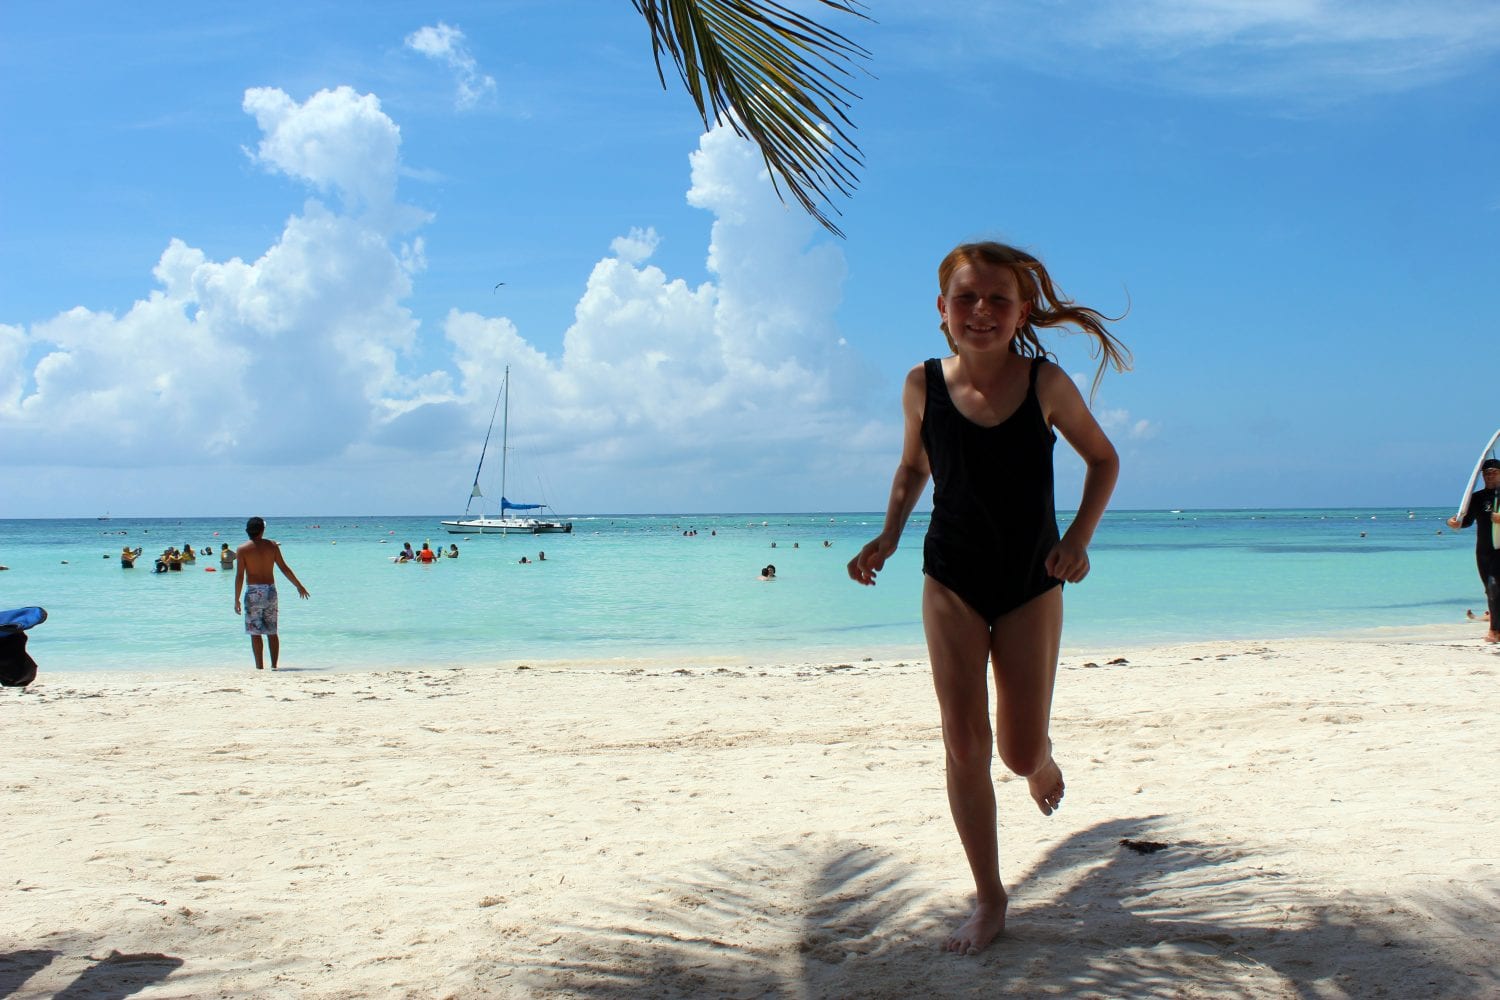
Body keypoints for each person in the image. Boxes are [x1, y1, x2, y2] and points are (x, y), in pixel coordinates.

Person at [847, 241, 1128, 955]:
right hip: (950, 578)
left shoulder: (1046, 384)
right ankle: (992, 897)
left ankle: (1043, 763)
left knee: (1017, 749)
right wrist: (886, 536)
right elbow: (914, 467)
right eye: (966, 298)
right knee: (964, 743)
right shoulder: (922, 385)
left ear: (1021, 310)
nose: (981, 311)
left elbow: (1104, 459)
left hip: (1033, 582)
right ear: (942, 311)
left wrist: (1080, 538)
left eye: (998, 299)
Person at [233, 516, 310, 671]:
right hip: (269, 591)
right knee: (272, 630)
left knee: (255, 632)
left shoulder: (242, 549)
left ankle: (259, 667)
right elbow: (284, 568)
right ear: (262, 530)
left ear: (248, 531)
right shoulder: (272, 546)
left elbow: (240, 575)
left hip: (253, 592)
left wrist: (236, 599)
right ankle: (274, 666)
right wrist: (298, 585)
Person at [1447, 458, 1500, 642]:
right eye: (1486, 473)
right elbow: (1466, 521)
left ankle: (1494, 631)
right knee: (1490, 590)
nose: (1489, 475)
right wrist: (1453, 521)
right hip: (1484, 551)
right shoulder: (1477, 498)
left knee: (1494, 587)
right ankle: (1496, 628)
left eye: (1494, 472)